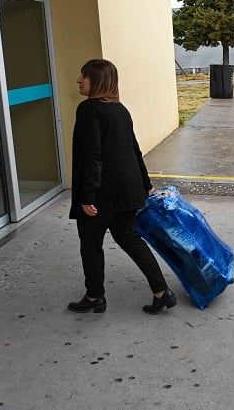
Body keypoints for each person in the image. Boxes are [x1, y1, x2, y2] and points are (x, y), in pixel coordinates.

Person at [68, 58, 176, 315]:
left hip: (102, 193)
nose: (79, 80)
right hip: (128, 190)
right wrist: (145, 183)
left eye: (84, 76)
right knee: (130, 239)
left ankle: (95, 296)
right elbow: (134, 149)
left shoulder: (89, 110)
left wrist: (87, 196)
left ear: (97, 81)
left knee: (91, 244)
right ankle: (162, 291)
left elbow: (92, 156)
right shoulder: (120, 109)